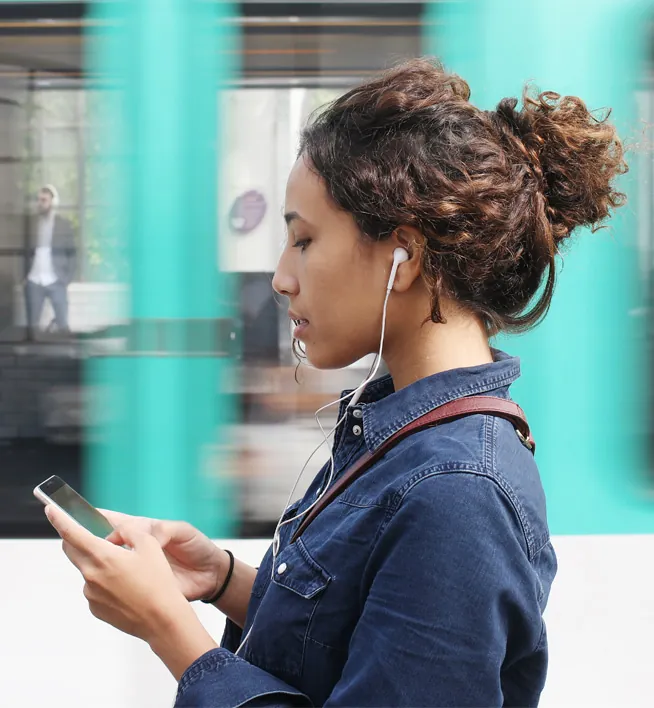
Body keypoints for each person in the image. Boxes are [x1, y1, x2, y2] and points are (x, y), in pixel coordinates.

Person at [44, 58, 626, 707]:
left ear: (404, 256)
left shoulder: (457, 492)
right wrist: (222, 579)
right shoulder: (403, 436)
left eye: (304, 240)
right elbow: (357, 637)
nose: (280, 277)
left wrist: (168, 629)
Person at [25, 184, 76, 332]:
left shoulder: (64, 225)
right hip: (34, 280)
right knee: (32, 327)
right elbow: (23, 251)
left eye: (44, 200)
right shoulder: (31, 223)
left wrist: (67, 279)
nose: (40, 203)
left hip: (56, 280)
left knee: (63, 324)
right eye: (38, 200)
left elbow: (72, 253)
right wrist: (23, 276)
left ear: (53, 202)